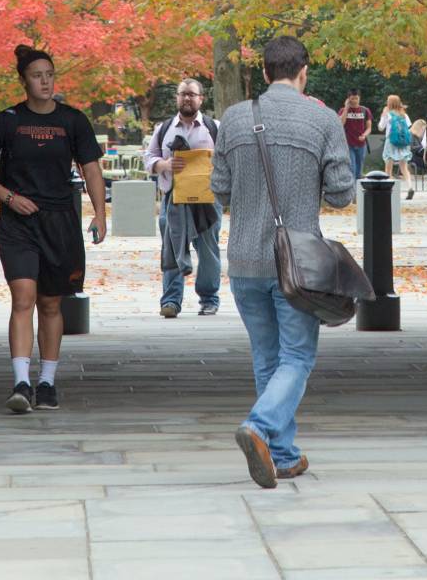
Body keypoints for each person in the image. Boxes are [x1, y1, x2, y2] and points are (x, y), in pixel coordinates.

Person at [213, 35, 356, 487]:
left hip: (244, 260)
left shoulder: (234, 120)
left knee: (266, 358)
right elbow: (342, 193)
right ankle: (258, 426)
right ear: (303, 71)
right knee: (296, 356)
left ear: (263, 71)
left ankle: (284, 454)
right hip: (299, 265)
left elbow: (219, 188)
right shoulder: (321, 119)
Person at [0, 44, 108, 413]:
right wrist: (8, 197)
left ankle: (47, 383)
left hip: (59, 221)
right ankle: (21, 383)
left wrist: (100, 214)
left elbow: (91, 169)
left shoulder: (73, 121)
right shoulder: (7, 121)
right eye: (37, 76)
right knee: (24, 296)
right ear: (23, 81)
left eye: (49, 75)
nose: (45, 81)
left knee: (50, 302)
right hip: (18, 222)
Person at [144, 78, 223, 317]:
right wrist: (164, 164)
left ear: (201, 98)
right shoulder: (164, 128)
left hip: (207, 200)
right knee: (171, 248)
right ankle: (171, 302)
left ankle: (209, 299)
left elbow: (228, 160)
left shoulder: (214, 127)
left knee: (208, 250)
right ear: (177, 98)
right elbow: (149, 157)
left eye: (192, 94)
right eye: (183, 94)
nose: (187, 98)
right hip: (173, 200)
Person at [380, 94, 416, 199]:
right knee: (404, 168)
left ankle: (389, 191)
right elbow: (410, 128)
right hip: (403, 143)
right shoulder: (404, 115)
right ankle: (410, 187)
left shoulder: (388, 114)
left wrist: (383, 115)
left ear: (389, 103)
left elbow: (381, 127)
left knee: (388, 168)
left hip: (391, 142)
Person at [337, 91, 372, 183]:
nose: (355, 100)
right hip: (348, 144)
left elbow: (369, 128)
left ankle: (357, 191)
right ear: (348, 99)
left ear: (359, 98)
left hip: (361, 144)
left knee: (359, 170)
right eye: (352, 98)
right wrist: (346, 108)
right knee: (352, 168)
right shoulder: (343, 110)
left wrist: (364, 135)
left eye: (356, 98)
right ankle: (352, 191)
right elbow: (340, 123)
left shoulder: (365, 110)